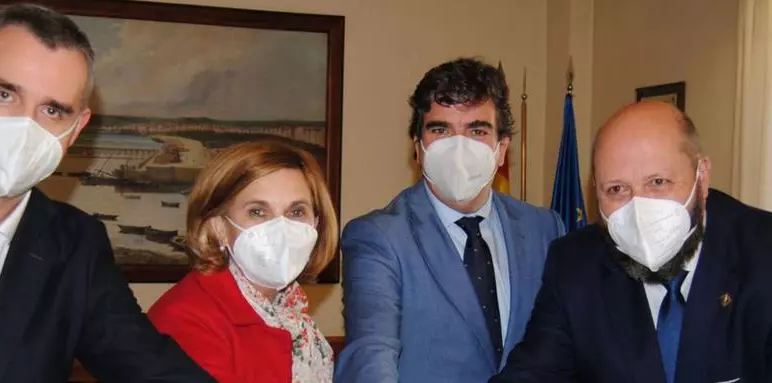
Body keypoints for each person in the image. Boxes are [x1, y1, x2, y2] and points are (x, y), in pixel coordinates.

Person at [0, 4, 214, 383]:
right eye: (5, 95)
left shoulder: (75, 250)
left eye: (52, 111)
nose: (24, 127)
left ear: (76, 129)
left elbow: (150, 366)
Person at [492, 101, 772, 383]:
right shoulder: (575, 264)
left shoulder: (763, 251)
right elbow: (533, 373)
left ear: (702, 177)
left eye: (658, 182)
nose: (639, 211)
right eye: (616, 189)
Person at [335, 58, 565, 383]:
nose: (459, 147)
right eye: (441, 130)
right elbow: (370, 352)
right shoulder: (378, 237)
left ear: (501, 149)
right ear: (418, 148)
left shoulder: (544, 229)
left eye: (477, 131)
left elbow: (564, 347)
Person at [147, 140, 339, 383]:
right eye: (257, 211)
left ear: (316, 223)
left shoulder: (289, 314)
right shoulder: (186, 319)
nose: (281, 228)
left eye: (296, 212)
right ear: (218, 227)